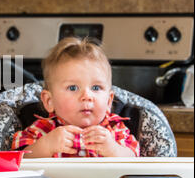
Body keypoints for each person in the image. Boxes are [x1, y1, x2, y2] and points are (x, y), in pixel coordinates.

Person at [11, 37, 140, 158]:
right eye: (73, 88)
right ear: (49, 101)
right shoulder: (41, 130)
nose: (87, 96)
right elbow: (17, 160)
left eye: (96, 88)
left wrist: (114, 149)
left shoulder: (115, 130)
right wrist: (46, 146)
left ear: (108, 101)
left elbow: (135, 160)